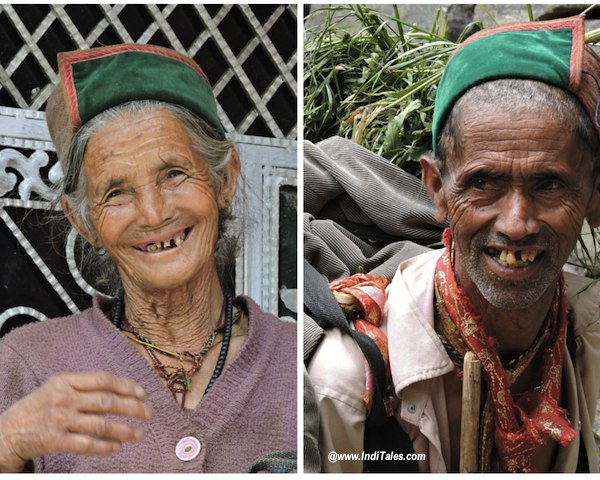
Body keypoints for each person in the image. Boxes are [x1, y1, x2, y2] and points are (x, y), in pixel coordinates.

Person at [307, 15, 600, 472]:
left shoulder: (589, 340)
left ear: (593, 197)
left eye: (549, 185)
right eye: (484, 183)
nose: (517, 223)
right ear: (437, 189)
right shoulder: (347, 387)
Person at [0, 44, 296, 473]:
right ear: (83, 222)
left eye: (174, 174)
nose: (154, 213)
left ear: (224, 179)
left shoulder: (300, 362)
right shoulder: (27, 366)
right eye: (117, 193)